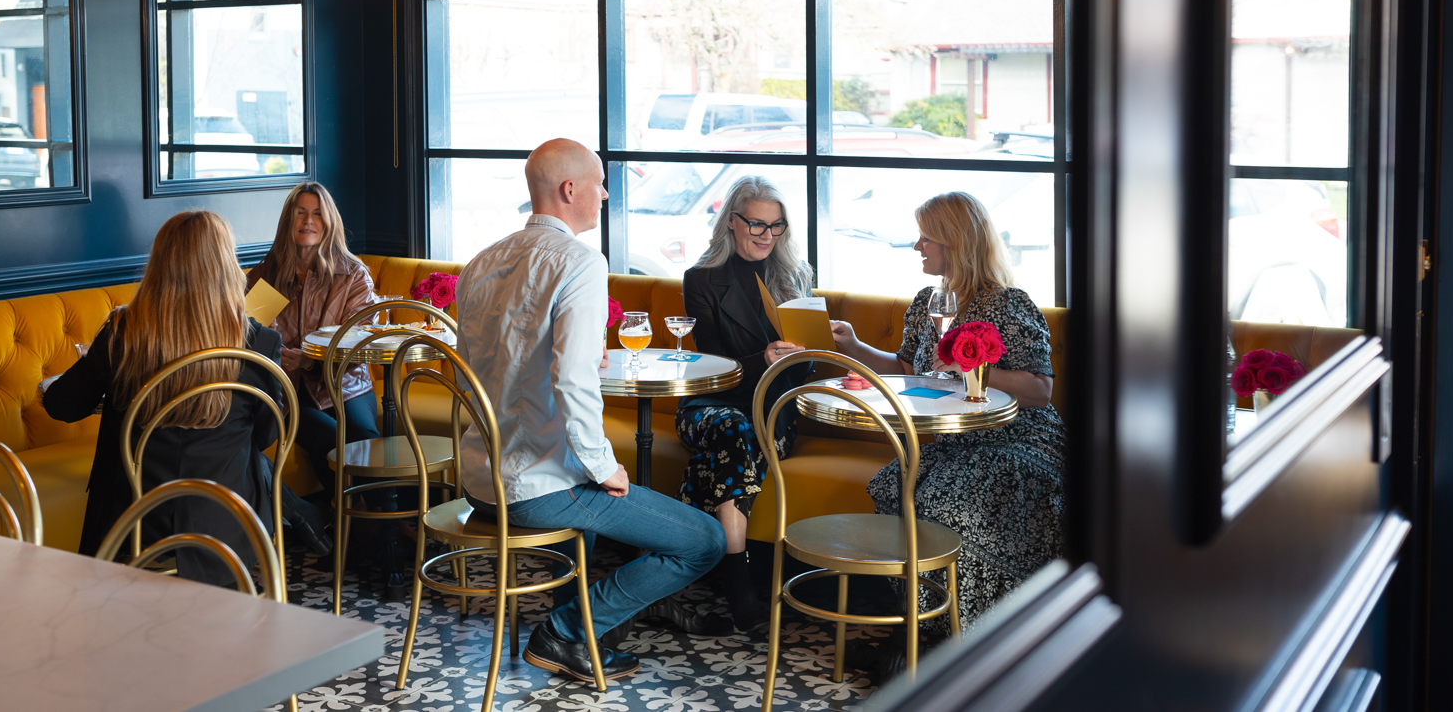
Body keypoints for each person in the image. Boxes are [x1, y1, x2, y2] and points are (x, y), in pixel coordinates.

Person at [455, 138, 725, 683]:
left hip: (477, 477)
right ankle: (567, 631)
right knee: (704, 541)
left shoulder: (482, 261)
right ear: (569, 189)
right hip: (536, 490)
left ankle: (588, 628)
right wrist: (605, 466)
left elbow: (494, 362)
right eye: (599, 182)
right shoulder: (579, 262)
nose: (605, 193)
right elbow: (573, 380)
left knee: (597, 503)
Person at [831, 192, 1065, 663]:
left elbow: (1041, 390)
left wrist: (968, 368)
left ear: (955, 242)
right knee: (894, 484)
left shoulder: (1008, 304)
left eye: (926, 237)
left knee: (943, 499)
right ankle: (920, 628)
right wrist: (855, 346)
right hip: (959, 443)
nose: (917, 246)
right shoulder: (927, 302)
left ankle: (966, 639)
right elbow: (905, 367)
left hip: (1021, 441)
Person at [43, 210, 287, 586]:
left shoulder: (123, 332)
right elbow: (269, 435)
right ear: (226, 265)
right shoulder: (260, 343)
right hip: (226, 519)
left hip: (135, 518)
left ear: (158, 264)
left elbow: (62, 406)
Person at [678, 175, 814, 633]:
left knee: (725, 450)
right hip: (711, 403)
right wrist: (763, 358)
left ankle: (695, 567)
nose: (766, 236)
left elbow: (803, 373)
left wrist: (811, 349)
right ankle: (740, 582)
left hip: (773, 408)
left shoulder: (796, 276)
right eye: (756, 224)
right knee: (734, 431)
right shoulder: (701, 279)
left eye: (776, 227)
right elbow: (710, 364)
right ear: (731, 222)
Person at [245, 182, 380, 496]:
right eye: (301, 212)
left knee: (365, 436)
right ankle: (356, 522)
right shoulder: (268, 276)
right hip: (287, 389)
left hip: (345, 383)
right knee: (330, 439)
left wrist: (311, 359)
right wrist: (288, 360)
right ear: (288, 222)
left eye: (317, 214)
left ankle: (379, 524)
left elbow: (358, 343)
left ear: (329, 223)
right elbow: (253, 336)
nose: (308, 220)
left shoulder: (353, 276)